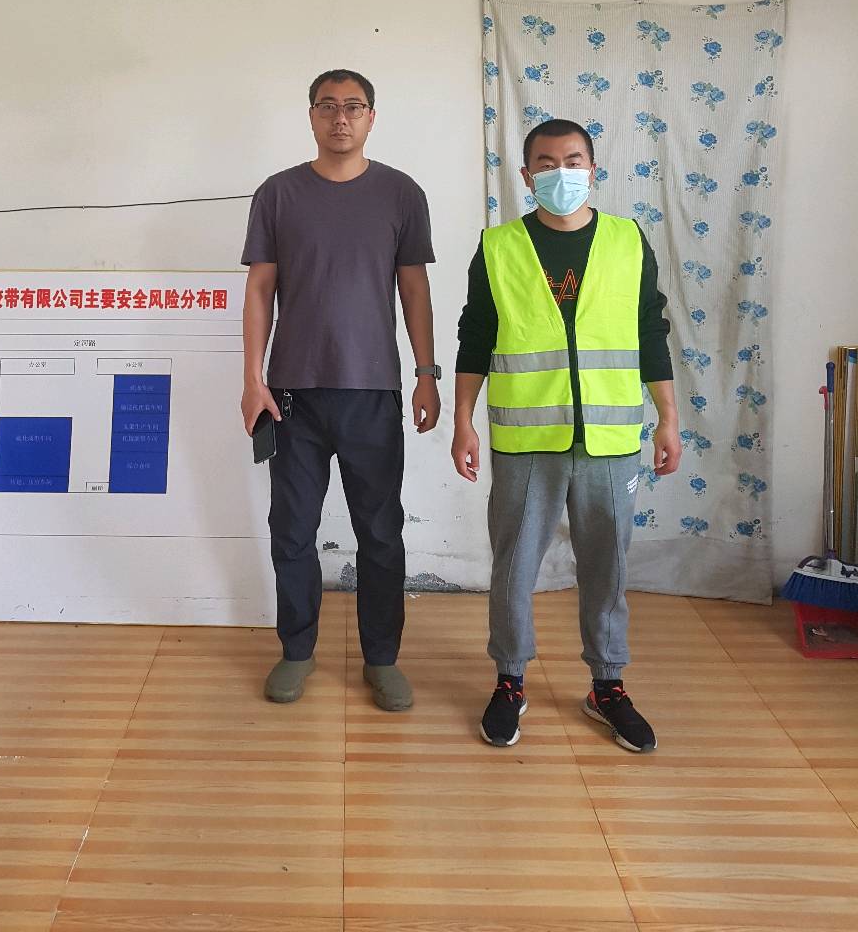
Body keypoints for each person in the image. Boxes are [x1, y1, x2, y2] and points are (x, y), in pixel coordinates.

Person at [451, 118, 679, 752]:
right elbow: (476, 335)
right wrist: (463, 420)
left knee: (608, 565)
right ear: (527, 176)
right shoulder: (499, 247)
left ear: (593, 168)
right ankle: (510, 680)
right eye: (547, 164)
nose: (562, 173)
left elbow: (650, 332)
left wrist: (668, 417)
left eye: (573, 161)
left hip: (610, 438)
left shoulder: (628, 241)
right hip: (527, 439)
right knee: (514, 565)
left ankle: (607, 684)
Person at [241, 69, 440, 711]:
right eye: (327, 106)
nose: (340, 118)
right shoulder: (278, 194)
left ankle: (382, 659)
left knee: (380, 533)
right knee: (292, 531)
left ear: (372, 117)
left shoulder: (401, 194)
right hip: (292, 395)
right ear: (311, 116)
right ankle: (297, 651)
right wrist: (252, 379)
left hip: (372, 392)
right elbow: (259, 289)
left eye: (353, 106)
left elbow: (414, 289)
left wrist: (427, 373)